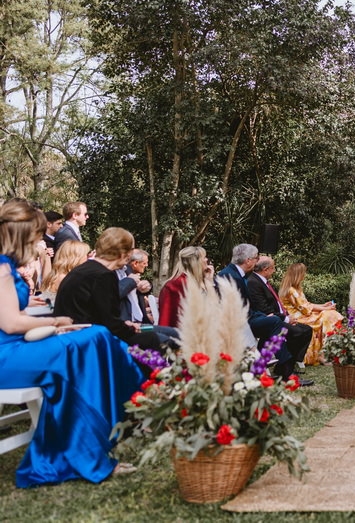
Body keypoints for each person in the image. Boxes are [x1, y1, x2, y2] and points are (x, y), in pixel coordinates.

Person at [0, 199, 143, 487]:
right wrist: (56, 322)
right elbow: (11, 324)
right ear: (22, 234)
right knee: (91, 340)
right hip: (8, 355)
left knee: (95, 336)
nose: (41, 242)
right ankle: (126, 406)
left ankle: (119, 414)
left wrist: (59, 324)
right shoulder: (2, 268)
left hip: (20, 347)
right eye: (37, 236)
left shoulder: (7, 266)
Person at [54, 228, 164, 351]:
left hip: (72, 336)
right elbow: (110, 324)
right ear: (123, 254)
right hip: (88, 341)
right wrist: (130, 328)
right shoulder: (103, 275)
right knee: (153, 339)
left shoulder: (82, 270)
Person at [246, 256, 313, 378]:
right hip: (266, 320)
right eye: (273, 268)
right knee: (297, 332)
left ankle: (284, 367)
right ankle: (286, 370)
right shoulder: (253, 282)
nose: (274, 270)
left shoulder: (263, 281)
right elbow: (263, 308)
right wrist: (286, 319)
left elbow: (275, 304)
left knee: (307, 330)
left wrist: (286, 316)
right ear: (265, 269)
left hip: (276, 318)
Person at [278, 262, 342, 365]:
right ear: (298, 274)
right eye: (303, 273)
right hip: (297, 318)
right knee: (329, 316)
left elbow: (307, 304)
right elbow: (305, 308)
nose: (304, 275)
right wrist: (325, 308)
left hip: (304, 315)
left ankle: (325, 353)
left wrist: (324, 306)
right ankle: (324, 354)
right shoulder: (291, 291)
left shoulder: (295, 289)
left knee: (329, 315)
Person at [157, 246, 210, 328]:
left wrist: (209, 281)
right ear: (196, 262)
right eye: (204, 257)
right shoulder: (178, 284)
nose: (207, 260)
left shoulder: (191, 282)